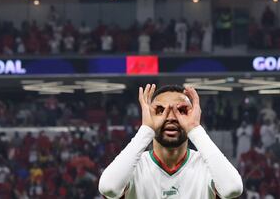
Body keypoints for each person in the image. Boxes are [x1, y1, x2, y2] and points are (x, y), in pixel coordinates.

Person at [99, 84, 243, 199]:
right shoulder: (133, 166)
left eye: (182, 110)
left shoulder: (208, 165)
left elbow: (233, 189)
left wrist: (195, 129)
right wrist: (146, 129)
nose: (171, 118)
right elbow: (109, 188)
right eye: (160, 110)